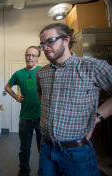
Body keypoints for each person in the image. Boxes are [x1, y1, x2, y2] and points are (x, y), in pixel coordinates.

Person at [36, 23, 112, 176]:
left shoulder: (92, 67)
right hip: (46, 148)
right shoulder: (41, 73)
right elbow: (41, 94)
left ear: (66, 40)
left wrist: (97, 117)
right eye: (43, 44)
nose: (45, 47)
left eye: (50, 41)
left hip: (77, 151)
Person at [5, 46, 42, 176]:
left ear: (38, 57)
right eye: (28, 55)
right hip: (25, 117)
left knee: (43, 148)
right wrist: (16, 96)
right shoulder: (18, 74)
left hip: (41, 117)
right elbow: (7, 87)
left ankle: (43, 171)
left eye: (33, 55)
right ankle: (24, 170)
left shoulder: (42, 71)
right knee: (24, 148)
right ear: (25, 56)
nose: (30, 58)